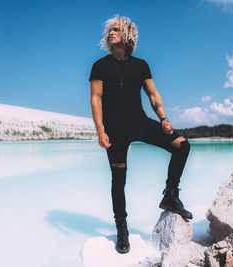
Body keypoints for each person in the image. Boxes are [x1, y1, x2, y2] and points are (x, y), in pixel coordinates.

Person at [89, 15, 192, 254]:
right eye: (110, 30)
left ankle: (171, 195)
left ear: (126, 34)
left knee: (182, 145)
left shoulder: (141, 65)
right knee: (119, 180)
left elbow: (153, 95)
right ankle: (122, 229)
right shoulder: (100, 66)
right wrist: (100, 131)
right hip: (113, 131)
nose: (111, 33)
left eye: (116, 29)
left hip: (140, 123)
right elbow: (95, 99)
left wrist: (163, 118)